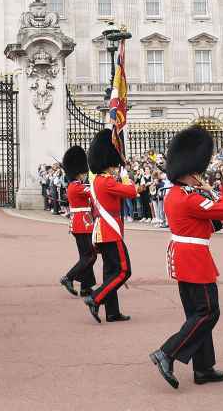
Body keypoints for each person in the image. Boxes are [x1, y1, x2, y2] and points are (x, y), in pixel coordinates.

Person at [149, 126, 223, 390]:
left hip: (183, 256)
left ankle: (203, 368)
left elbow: (205, 225)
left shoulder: (175, 195)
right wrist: (212, 190)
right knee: (209, 311)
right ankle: (168, 352)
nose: (200, 176)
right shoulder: (190, 198)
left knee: (195, 313)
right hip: (195, 258)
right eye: (197, 173)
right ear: (189, 173)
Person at [82, 128, 138, 324]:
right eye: (114, 166)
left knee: (110, 272)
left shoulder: (99, 180)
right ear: (108, 163)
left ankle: (112, 312)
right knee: (124, 271)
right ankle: (95, 298)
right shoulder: (106, 182)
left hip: (104, 231)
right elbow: (131, 192)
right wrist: (124, 176)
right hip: (110, 232)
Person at [59, 145, 97, 298]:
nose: (85, 175)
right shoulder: (77, 187)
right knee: (90, 256)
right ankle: (68, 277)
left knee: (85, 256)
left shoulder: (76, 185)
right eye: (83, 173)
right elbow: (94, 191)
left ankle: (86, 287)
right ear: (78, 173)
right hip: (82, 225)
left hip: (81, 224)